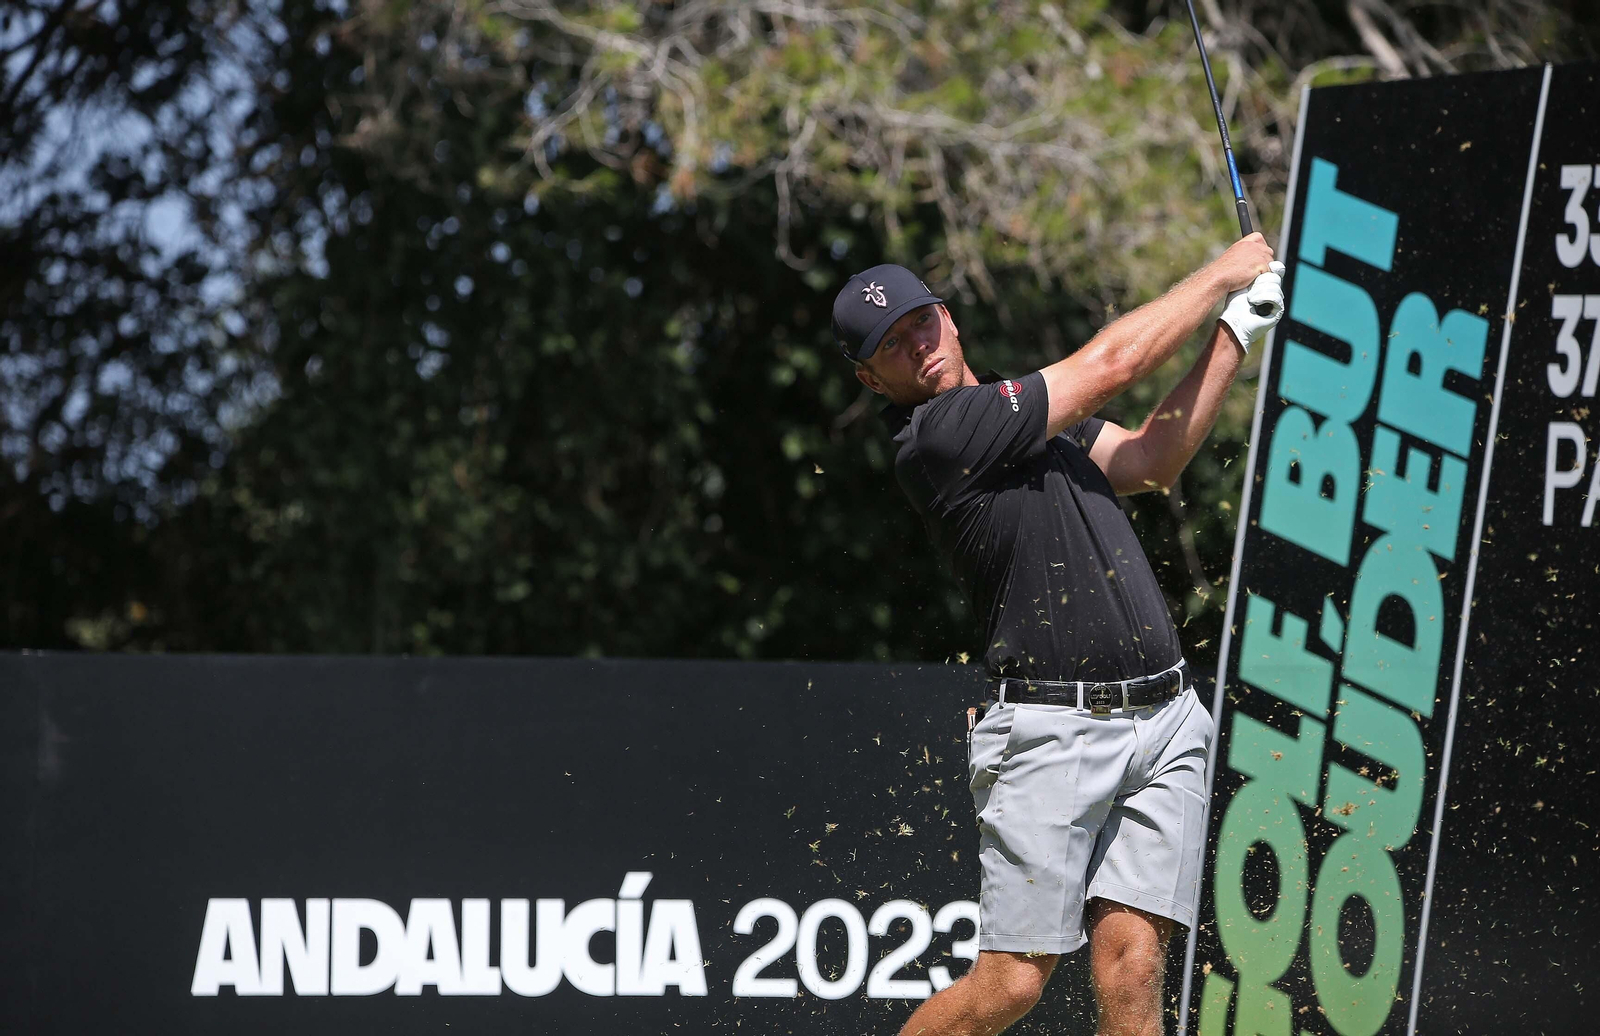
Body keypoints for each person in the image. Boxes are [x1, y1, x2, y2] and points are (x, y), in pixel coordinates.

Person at [831, 236, 1284, 1036]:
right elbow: (1111, 365)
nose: (916, 346)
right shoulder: (941, 435)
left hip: (1167, 721)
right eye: (891, 346)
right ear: (872, 379)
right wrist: (1222, 273)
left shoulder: (1031, 418)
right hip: (1052, 729)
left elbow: (1150, 459)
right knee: (1010, 985)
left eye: (919, 322)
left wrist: (1235, 333)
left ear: (948, 318)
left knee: (1133, 970)